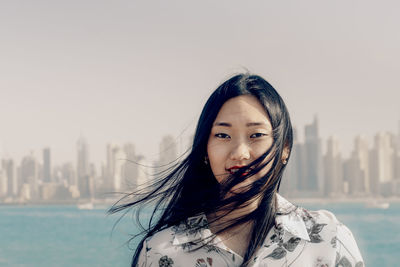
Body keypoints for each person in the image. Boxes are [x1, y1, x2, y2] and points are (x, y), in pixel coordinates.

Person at [110, 73, 364, 267]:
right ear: (205, 149)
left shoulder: (328, 239)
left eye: (256, 135)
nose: (240, 153)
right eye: (222, 135)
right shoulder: (161, 252)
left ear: (284, 148)